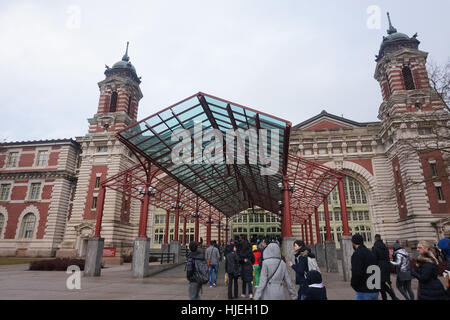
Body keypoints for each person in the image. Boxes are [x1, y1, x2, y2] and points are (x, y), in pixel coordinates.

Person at [350, 234, 380, 300]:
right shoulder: (371, 253)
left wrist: (354, 285)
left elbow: (356, 272)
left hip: (364, 290)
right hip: (375, 289)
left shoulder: (357, 254)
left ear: (353, 243)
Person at [372, 234, 399, 300]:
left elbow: (374, 259)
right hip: (386, 266)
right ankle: (392, 296)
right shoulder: (385, 247)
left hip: (379, 267)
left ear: (375, 239)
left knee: (380, 284)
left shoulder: (375, 247)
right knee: (382, 283)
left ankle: (389, 297)